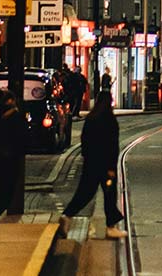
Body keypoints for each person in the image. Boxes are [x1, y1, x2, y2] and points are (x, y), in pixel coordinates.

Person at [60, 92, 127, 238]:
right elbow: (112, 146)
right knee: (110, 194)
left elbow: (84, 141)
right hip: (105, 165)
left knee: (85, 192)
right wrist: (111, 167)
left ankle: (67, 215)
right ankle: (111, 227)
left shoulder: (91, 118)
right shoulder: (110, 120)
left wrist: (87, 158)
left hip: (91, 163)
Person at [0, 89, 27, 224]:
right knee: (8, 190)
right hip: (10, 158)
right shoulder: (16, 117)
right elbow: (22, 137)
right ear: (11, 101)